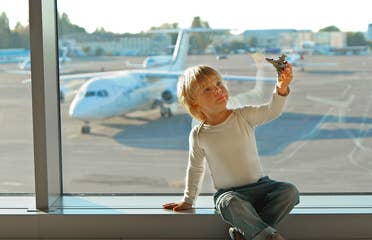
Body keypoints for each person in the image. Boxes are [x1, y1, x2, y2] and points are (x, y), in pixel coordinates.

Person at [163, 63, 299, 240]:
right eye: (207, 90)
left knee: (289, 192)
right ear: (194, 103)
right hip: (230, 194)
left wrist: (281, 89)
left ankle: (245, 233)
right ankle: (267, 237)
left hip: (261, 187)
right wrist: (188, 200)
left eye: (219, 84)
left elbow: (272, 110)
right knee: (229, 203)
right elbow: (195, 168)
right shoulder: (199, 134)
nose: (217, 90)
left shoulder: (243, 116)